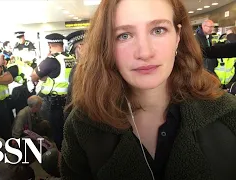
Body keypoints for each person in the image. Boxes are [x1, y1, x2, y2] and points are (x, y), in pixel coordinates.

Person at [61, 0, 236, 180]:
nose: (144, 53)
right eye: (124, 35)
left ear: (177, 36)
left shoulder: (228, 114)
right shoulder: (82, 125)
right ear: (106, 45)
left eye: (158, 30)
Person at [31, 33, 76, 150]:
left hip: (54, 103)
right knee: (68, 128)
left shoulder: (51, 60)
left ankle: (60, 155)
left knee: (56, 132)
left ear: (50, 45)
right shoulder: (71, 57)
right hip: (70, 99)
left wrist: (44, 65)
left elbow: (34, 77)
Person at [64, 30, 86, 120]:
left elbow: (72, 99)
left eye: (74, 52)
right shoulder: (103, 65)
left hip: (82, 119)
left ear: (80, 48)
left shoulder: (79, 69)